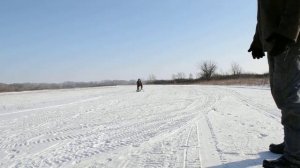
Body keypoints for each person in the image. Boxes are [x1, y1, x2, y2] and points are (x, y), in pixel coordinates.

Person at [248, 1, 300, 167]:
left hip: (288, 40)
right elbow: (263, 15)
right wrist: (258, 41)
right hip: (273, 41)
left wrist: (286, 34)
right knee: (280, 95)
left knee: (289, 96)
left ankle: (295, 157)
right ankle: (293, 142)